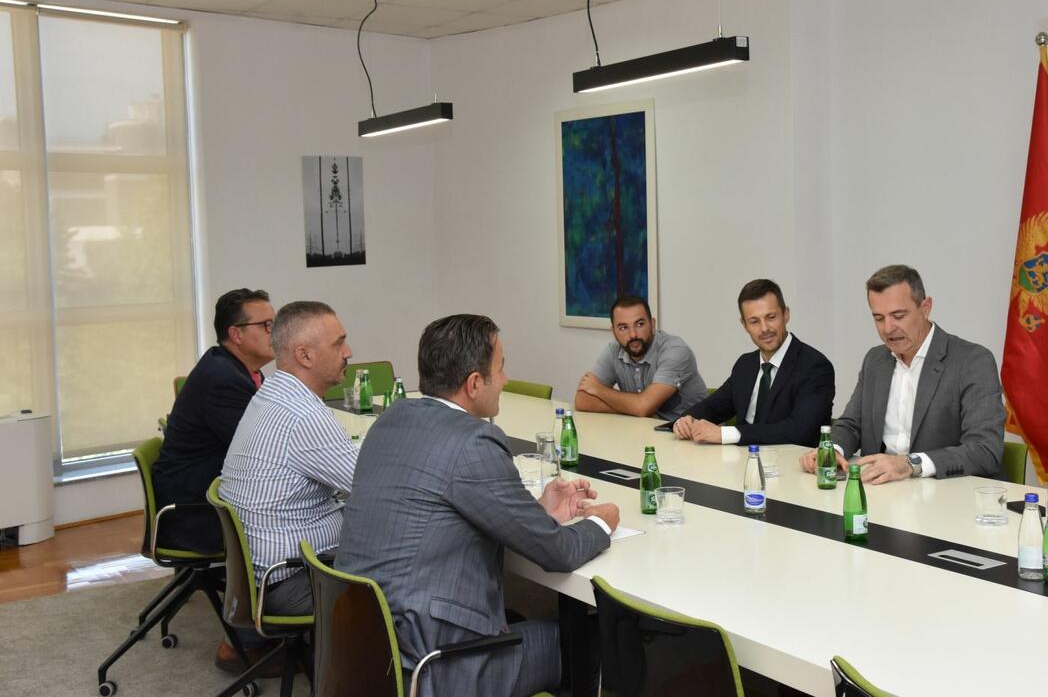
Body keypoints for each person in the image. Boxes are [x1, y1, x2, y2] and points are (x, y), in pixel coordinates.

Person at [337, 314, 619, 697]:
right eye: (500, 369)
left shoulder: (392, 418)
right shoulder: (475, 442)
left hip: (365, 647)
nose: (504, 379)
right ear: (473, 383)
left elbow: (448, 507)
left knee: (525, 617)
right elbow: (557, 552)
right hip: (436, 663)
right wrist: (601, 523)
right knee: (594, 637)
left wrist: (537, 510)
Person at [801, 265, 1005, 484]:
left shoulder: (972, 361)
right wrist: (831, 449)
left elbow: (985, 450)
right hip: (879, 489)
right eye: (879, 318)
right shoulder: (875, 360)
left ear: (925, 308)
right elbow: (852, 425)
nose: (888, 328)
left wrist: (910, 464)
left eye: (898, 316)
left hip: (945, 492)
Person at [219, 300, 358, 619]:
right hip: (292, 579)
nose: (348, 352)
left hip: (265, 573)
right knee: (412, 563)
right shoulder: (305, 415)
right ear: (304, 355)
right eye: (339, 344)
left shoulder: (271, 393)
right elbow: (375, 487)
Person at [152, 288, 274, 553]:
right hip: (196, 512)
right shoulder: (222, 379)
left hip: (208, 491)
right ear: (236, 334)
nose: (275, 332)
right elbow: (260, 450)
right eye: (266, 325)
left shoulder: (238, 369)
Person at [673, 279, 834, 446]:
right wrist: (687, 420)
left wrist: (726, 434)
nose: (764, 329)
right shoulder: (745, 364)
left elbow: (801, 430)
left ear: (786, 314)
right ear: (744, 325)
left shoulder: (814, 366)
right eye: (754, 321)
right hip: (742, 458)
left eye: (771, 317)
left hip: (791, 459)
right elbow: (713, 406)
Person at [574, 295, 707, 421]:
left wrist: (599, 389)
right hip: (645, 429)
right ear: (613, 331)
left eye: (639, 324)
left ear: (652, 325)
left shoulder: (675, 350)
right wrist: (633, 409)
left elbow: (642, 407)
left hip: (694, 432)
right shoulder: (613, 350)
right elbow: (582, 401)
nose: (633, 334)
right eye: (623, 327)